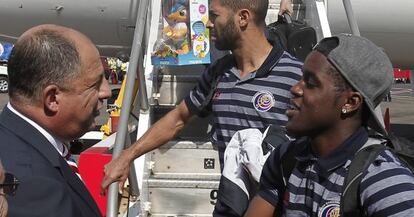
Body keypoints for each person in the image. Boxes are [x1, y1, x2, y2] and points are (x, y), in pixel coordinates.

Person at [102, 0, 302, 216]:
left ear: (243, 18)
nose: (207, 24)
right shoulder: (218, 73)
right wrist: (126, 156)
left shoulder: (296, 76)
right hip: (231, 207)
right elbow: (178, 118)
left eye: (215, 16)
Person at [244, 34, 414, 217]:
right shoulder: (286, 158)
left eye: (310, 83)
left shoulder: (384, 182)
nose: (295, 88)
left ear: (350, 102)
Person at [0, 24, 111, 217]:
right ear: (52, 99)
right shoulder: (35, 189)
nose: (107, 91)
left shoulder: (12, 134)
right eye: (95, 84)